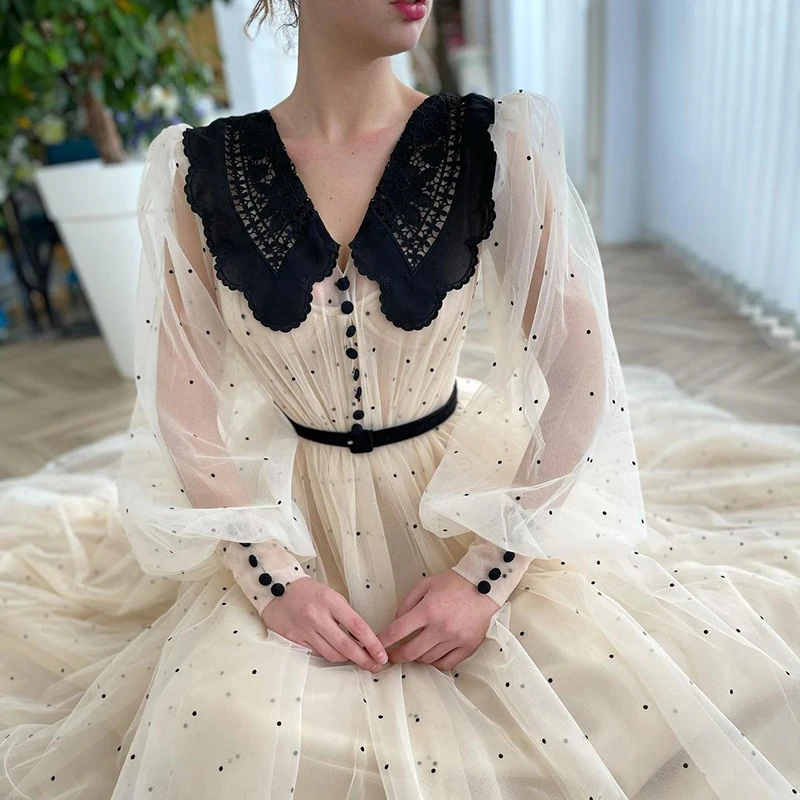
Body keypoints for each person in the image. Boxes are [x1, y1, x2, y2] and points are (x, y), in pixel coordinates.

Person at [2, 0, 800, 798]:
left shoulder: (496, 142)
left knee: (599, 699)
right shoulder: (197, 170)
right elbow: (182, 404)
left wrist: (486, 575)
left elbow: (581, 373)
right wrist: (272, 580)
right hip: (291, 522)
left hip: (459, 508)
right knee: (226, 723)